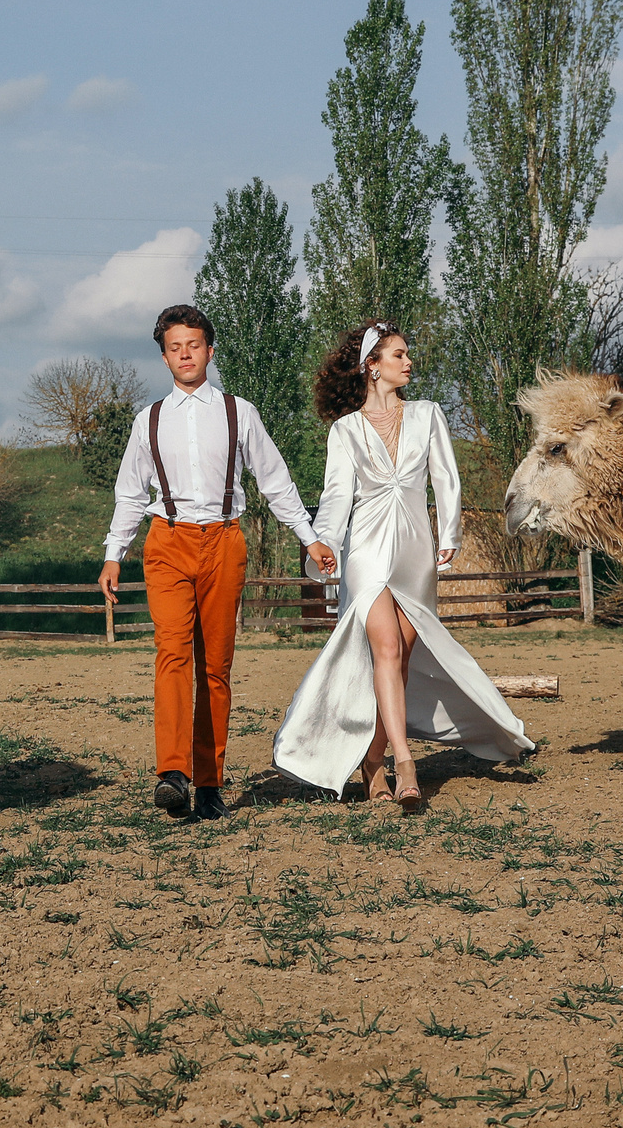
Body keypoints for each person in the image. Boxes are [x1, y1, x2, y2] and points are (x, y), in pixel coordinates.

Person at [271, 320, 534, 809]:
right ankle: (405, 765)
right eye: (398, 355)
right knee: (386, 648)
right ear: (372, 365)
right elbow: (335, 496)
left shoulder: (428, 414)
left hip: (415, 547)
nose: (408, 362)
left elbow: (446, 478)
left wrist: (449, 533)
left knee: (402, 659)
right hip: (366, 546)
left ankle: (372, 760)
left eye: (407, 354)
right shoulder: (344, 430)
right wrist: (324, 540)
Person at [99, 305, 338, 819]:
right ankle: (172, 774)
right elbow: (129, 493)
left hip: (225, 542)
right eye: (174, 347)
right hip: (166, 542)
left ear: (209, 350)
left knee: (216, 667)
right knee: (172, 652)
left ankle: (209, 784)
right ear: (164, 357)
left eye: (194, 345)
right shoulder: (149, 420)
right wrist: (114, 554)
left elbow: (275, 480)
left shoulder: (239, 412)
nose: (185, 354)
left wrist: (309, 536)